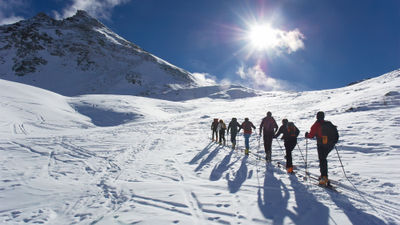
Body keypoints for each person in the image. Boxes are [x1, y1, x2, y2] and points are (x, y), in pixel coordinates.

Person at [305, 111, 338, 186]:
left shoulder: (316, 125)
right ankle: (324, 175)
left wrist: (307, 135)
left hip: (321, 145)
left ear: (317, 117)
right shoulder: (329, 123)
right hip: (330, 144)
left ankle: (324, 177)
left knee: (322, 160)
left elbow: (311, 135)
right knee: (324, 159)